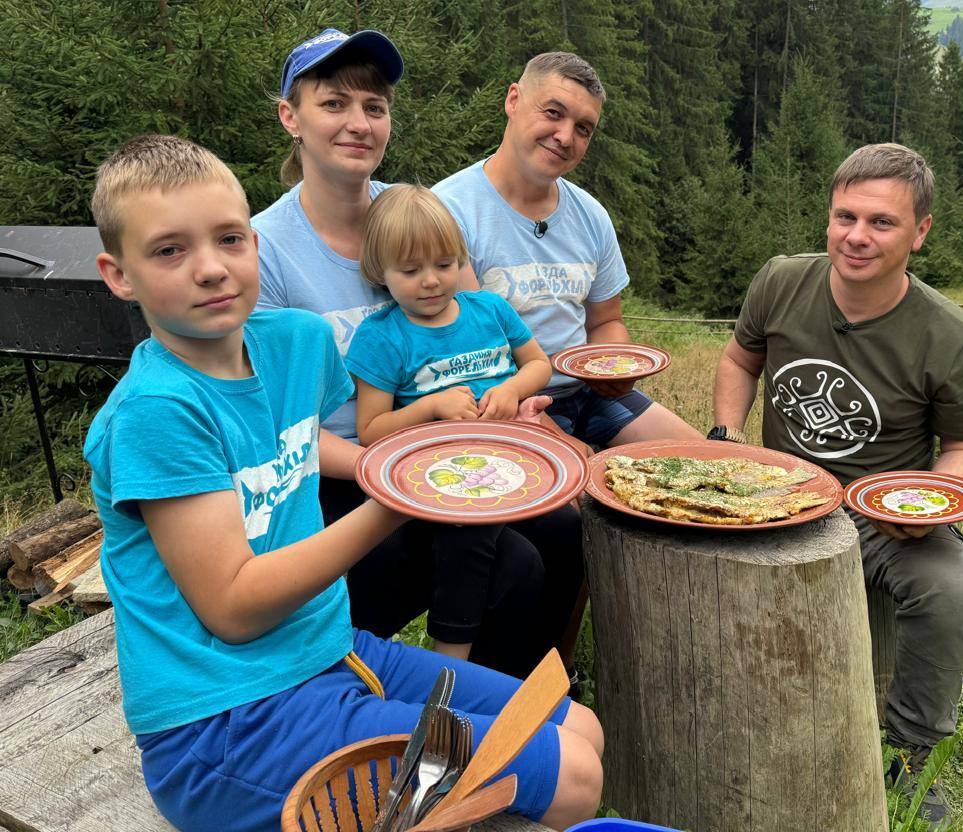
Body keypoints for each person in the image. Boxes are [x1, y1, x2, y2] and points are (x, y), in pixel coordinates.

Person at [84, 134, 603, 832]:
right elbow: (234, 606)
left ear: (255, 243)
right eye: (170, 250)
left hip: (332, 653)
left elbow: (313, 443)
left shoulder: (295, 342)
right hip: (224, 723)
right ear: (118, 275)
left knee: (580, 728)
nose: (211, 268)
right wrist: (399, 496)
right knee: (573, 778)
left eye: (230, 239)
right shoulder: (156, 412)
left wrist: (405, 459)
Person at [254, 29, 583, 675]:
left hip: (443, 452)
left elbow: (480, 337)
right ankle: (373, 691)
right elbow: (277, 425)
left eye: (374, 108)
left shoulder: (414, 222)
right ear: (291, 117)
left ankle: (528, 696)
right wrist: (397, 470)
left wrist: (510, 405)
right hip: (336, 478)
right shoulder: (266, 252)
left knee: (563, 530)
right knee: (504, 563)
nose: (358, 123)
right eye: (334, 104)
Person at [710, 142, 963, 829]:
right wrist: (725, 438)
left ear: (920, 232)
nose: (856, 236)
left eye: (881, 222)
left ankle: (908, 757)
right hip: (774, 493)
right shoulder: (781, 281)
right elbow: (739, 358)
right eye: (845, 216)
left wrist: (927, 507)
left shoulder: (949, 335)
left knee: (948, 591)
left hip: (879, 514)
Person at [346, 183, 582, 673]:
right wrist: (429, 408)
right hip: (441, 483)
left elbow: (539, 363)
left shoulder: (488, 309)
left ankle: (546, 662)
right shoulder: (382, 336)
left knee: (567, 529)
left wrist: (514, 389)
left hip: (514, 466)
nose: (430, 281)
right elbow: (370, 429)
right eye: (410, 271)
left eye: (445, 264)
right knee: (468, 535)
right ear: (379, 273)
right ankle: (448, 672)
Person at [433, 51, 700, 449]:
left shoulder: (590, 215)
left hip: (587, 394)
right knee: (592, 494)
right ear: (513, 100)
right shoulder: (449, 211)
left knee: (705, 457)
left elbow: (605, 321)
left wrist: (612, 368)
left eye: (584, 128)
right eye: (553, 112)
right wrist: (569, 446)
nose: (565, 136)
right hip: (499, 400)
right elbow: (474, 353)